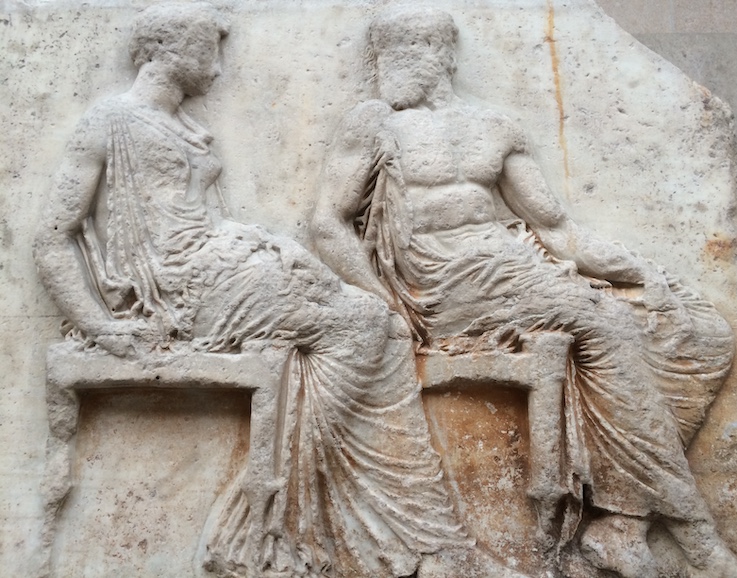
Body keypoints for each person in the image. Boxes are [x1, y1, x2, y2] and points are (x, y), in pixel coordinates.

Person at [34, 4, 521, 577]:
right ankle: (272, 517)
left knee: (382, 324)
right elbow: (52, 236)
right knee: (363, 325)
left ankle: (418, 535)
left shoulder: (186, 127)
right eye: (209, 50)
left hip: (223, 267)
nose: (218, 68)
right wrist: (100, 327)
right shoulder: (110, 121)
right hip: (183, 291)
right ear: (168, 48)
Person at [311, 7, 737, 578]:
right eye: (387, 51)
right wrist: (381, 301)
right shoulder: (372, 125)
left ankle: (621, 525)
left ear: (445, 54)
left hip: (512, 268)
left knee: (698, 331)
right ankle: (697, 540)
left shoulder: (495, 126)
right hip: (435, 284)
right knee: (606, 324)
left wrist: (642, 271)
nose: (394, 63)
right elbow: (327, 223)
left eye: (412, 47)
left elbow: (556, 230)